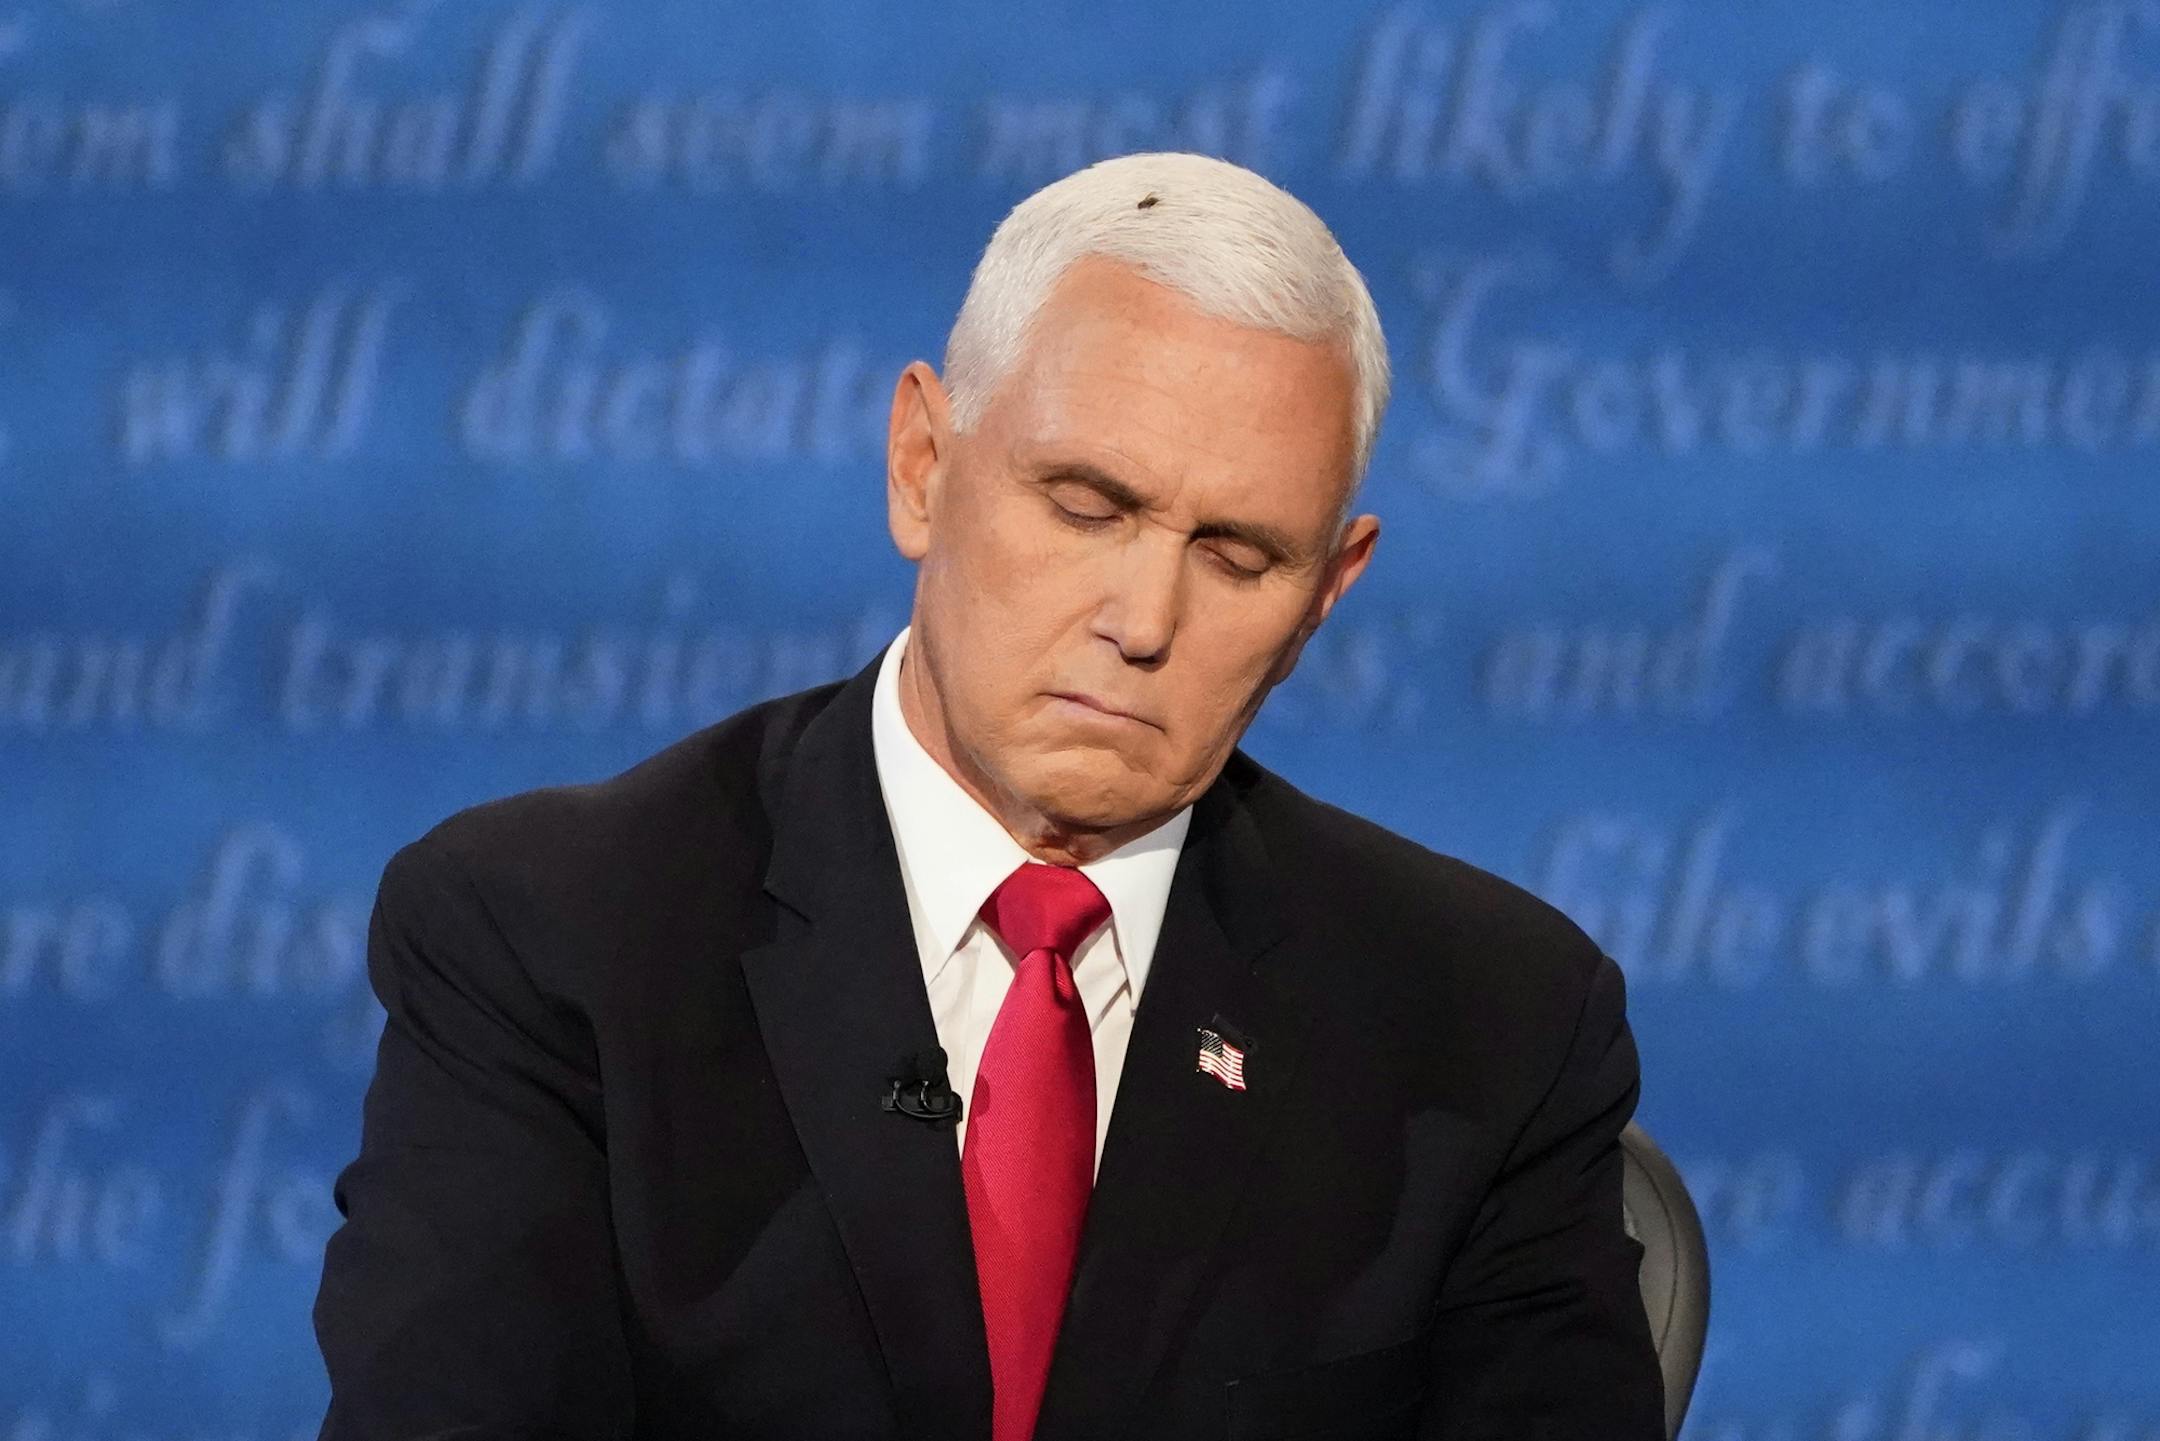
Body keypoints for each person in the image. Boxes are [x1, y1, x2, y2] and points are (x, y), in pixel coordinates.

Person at [312, 150, 1665, 1440]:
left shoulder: (1490, 1031)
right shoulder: (558, 941)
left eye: (1238, 554)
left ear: (1327, 592)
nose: (1143, 618)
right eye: (1087, 504)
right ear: (923, 464)